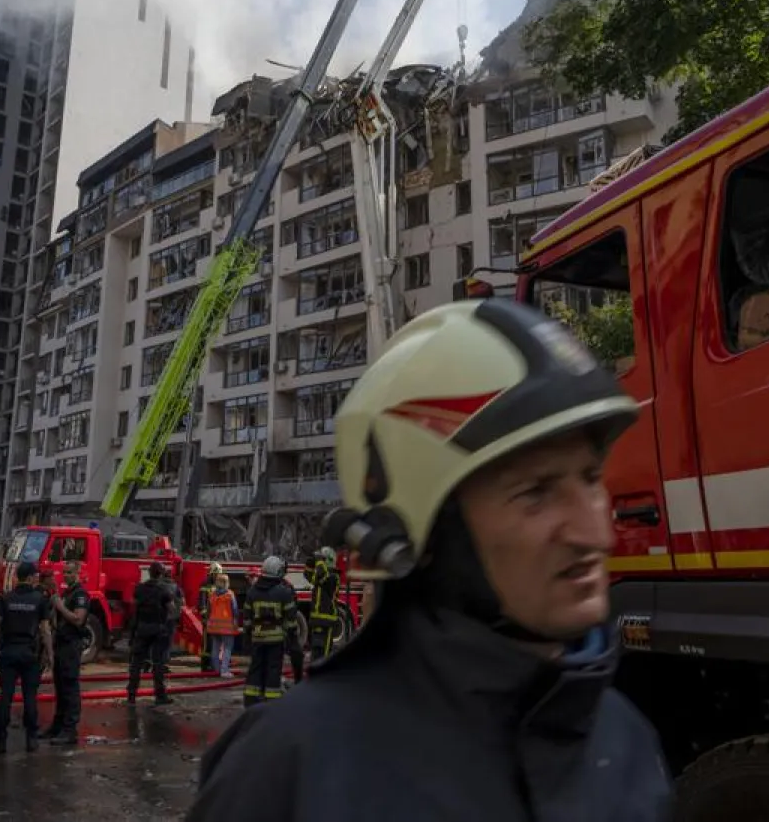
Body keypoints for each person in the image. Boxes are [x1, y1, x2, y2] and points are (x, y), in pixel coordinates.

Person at [188, 299, 673, 821]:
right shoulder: (294, 769)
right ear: (427, 532)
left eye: (591, 479)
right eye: (537, 492)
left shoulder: (626, 742)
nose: (596, 533)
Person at [0, 561, 51, 755]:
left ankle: (1, 739)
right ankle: (31, 739)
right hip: (29, 653)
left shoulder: (5, 599)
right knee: (30, 698)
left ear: (17, 577)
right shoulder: (39, 599)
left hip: (8, 652)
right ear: (31, 577)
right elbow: (45, 630)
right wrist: (50, 654)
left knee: (5, 697)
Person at [40, 560, 89, 746]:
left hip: (71, 645)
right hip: (60, 644)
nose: (66, 575)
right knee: (60, 687)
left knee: (70, 687)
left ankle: (70, 730)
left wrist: (60, 606)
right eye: (65, 572)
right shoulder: (67, 593)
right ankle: (58, 725)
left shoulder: (80, 594)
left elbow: (78, 619)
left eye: (70, 572)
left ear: (77, 572)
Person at [241, 556, 297, 707]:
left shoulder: (252, 592)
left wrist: (247, 637)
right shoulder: (284, 592)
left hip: (257, 638)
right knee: (273, 670)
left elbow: (246, 619)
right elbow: (291, 620)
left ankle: (251, 699)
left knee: (255, 668)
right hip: (276, 640)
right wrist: (292, 639)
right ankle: (272, 700)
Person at [126, 562, 176, 706]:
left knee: (136, 664)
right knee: (158, 664)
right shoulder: (164, 590)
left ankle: (131, 696)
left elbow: (133, 606)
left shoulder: (139, 588)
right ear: (161, 573)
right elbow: (172, 609)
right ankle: (160, 696)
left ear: (149, 572)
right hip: (158, 630)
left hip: (141, 628)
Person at [305, 547, 341, 661]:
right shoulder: (322, 575)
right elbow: (309, 576)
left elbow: (321, 576)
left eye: (322, 559)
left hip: (327, 619)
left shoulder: (333, 577)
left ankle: (323, 673)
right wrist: (310, 562)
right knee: (316, 650)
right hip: (317, 618)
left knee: (324, 652)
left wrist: (320, 560)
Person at [204, 573, 239, 678]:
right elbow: (235, 610)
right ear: (226, 583)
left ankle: (216, 670)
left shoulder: (212, 595)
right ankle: (224, 671)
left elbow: (208, 611)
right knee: (227, 648)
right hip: (227, 627)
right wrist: (236, 622)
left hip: (214, 626)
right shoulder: (230, 594)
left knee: (215, 648)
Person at [195, 562, 222, 672]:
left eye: (219, 574)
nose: (217, 576)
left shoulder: (218, 585)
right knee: (207, 643)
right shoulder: (205, 584)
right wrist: (205, 618)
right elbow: (201, 603)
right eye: (216, 574)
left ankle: (212, 664)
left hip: (216, 619)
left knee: (215, 643)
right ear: (211, 574)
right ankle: (205, 665)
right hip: (208, 619)